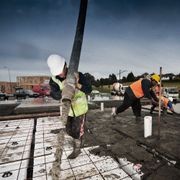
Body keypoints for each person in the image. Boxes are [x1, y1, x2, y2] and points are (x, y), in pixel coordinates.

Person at [47, 54, 92, 159]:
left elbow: (89, 89)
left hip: (80, 109)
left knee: (77, 131)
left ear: (65, 65)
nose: (60, 74)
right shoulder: (54, 80)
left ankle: (77, 147)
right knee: (69, 129)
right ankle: (77, 137)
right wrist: (65, 91)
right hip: (68, 110)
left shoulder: (78, 75)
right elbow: (54, 94)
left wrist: (77, 85)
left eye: (61, 70)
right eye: (57, 72)